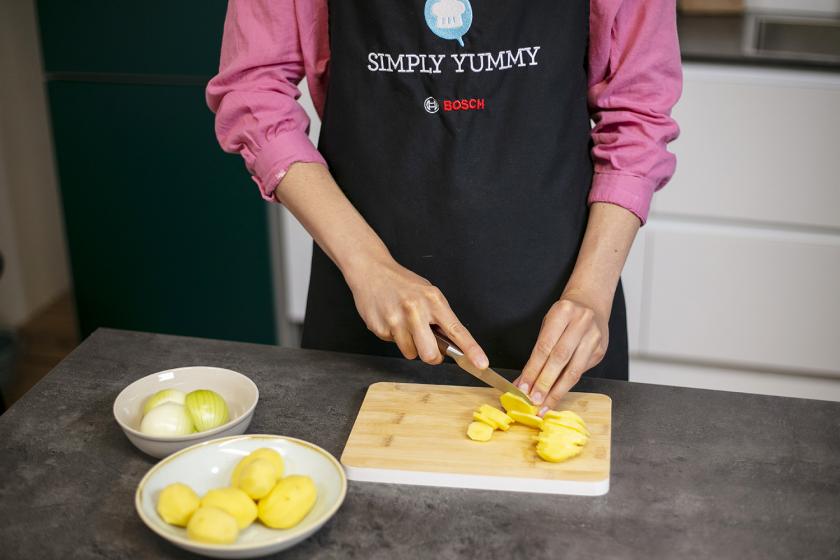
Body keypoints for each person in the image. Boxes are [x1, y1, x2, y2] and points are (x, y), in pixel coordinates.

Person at [207, 0, 681, 415]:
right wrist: (367, 265)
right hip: (367, 302)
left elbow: (638, 110)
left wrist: (591, 293)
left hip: (561, 306)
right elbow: (254, 93)